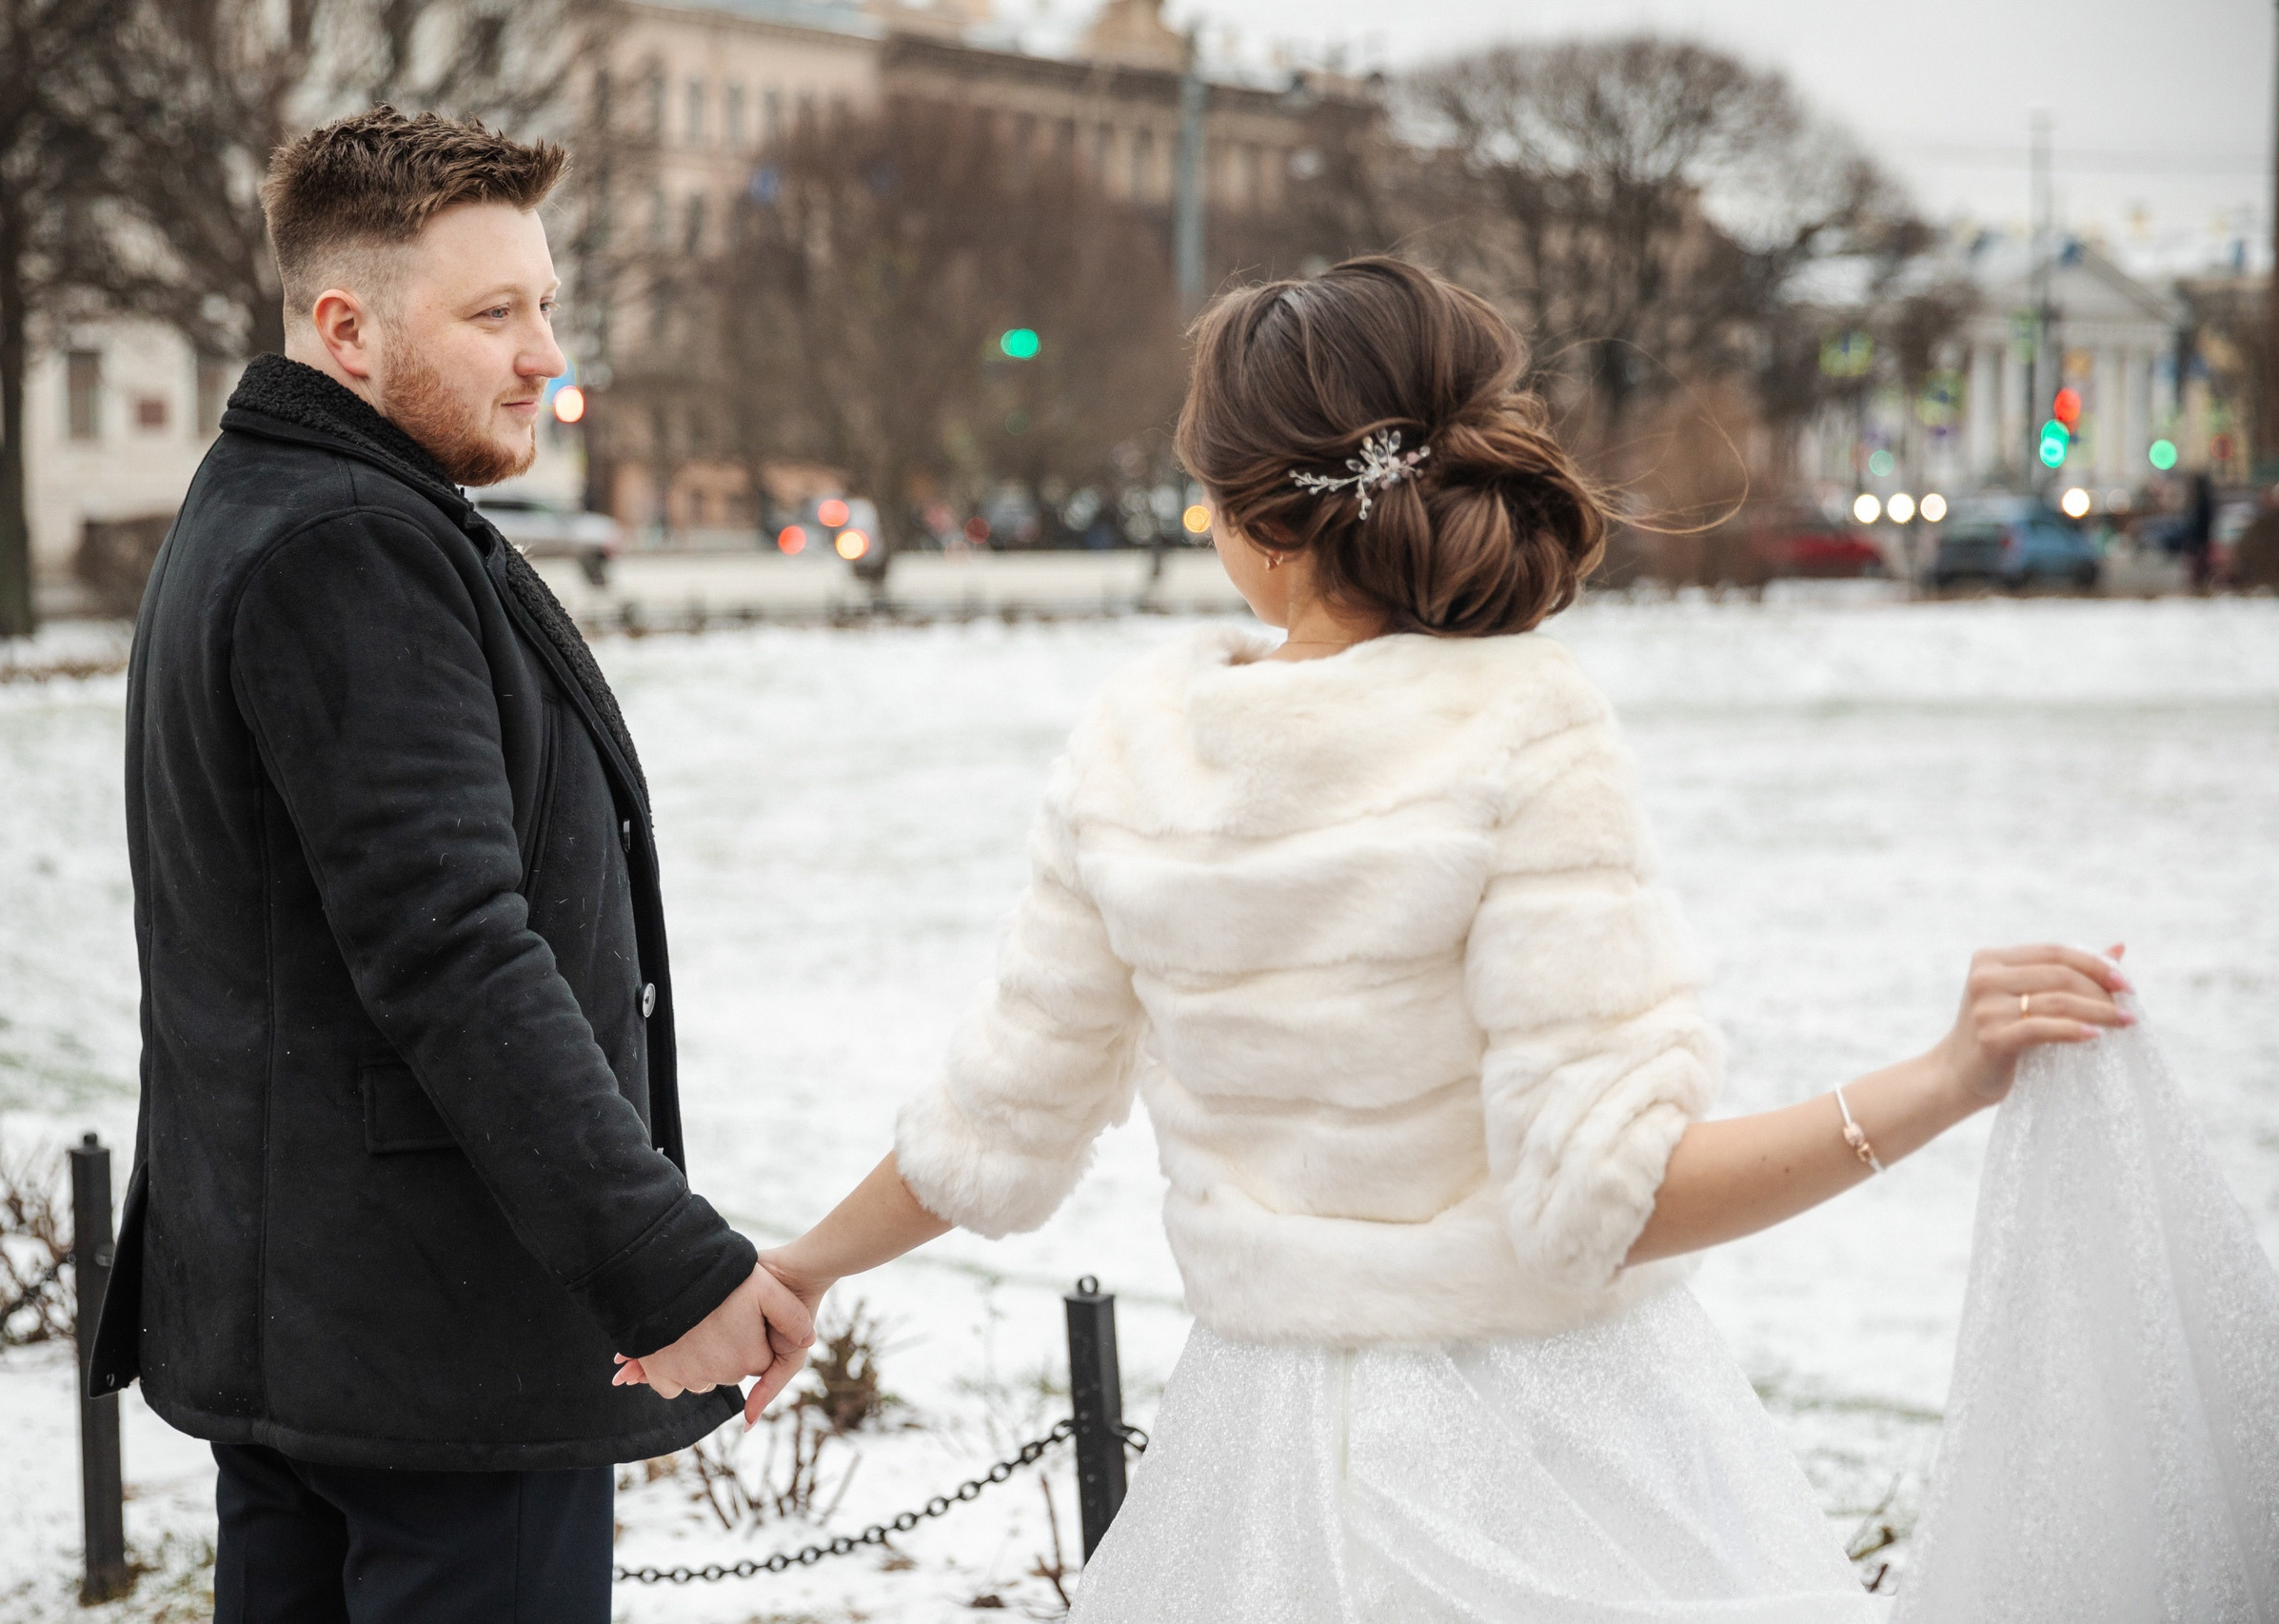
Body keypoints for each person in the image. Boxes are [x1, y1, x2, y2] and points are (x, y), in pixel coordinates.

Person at [628, 258, 2130, 1616]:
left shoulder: (1137, 752)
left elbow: (998, 1125)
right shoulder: (1525, 727)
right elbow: (1606, 1199)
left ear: (1244, 509)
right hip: (1542, 1460)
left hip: (1254, 1465)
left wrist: (804, 1265)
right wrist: (1935, 1082)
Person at [89, 109, 812, 1623]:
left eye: (544, 304)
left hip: (333, 1344)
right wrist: (669, 1266)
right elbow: (456, 952)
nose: (546, 352)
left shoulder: (270, 506)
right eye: (495, 315)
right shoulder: (350, 541)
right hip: (433, 1362)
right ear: (344, 329)